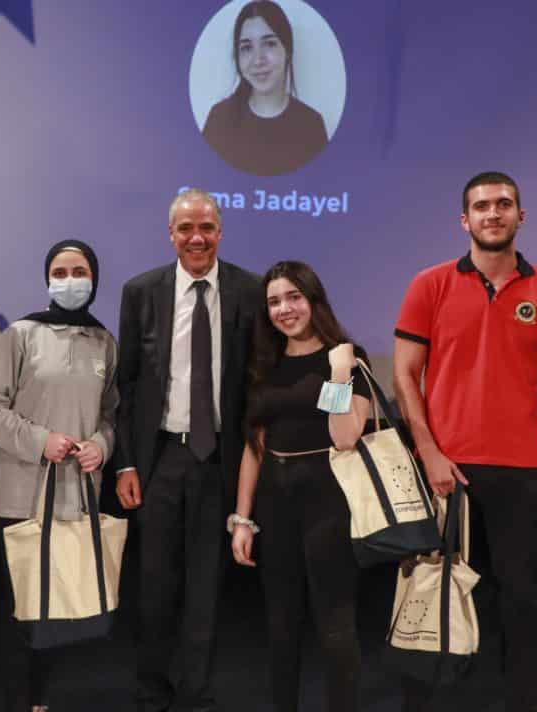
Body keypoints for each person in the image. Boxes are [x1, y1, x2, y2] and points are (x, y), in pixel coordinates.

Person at [392, 171, 537, 712]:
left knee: (521, 600)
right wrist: (429, 452)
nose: (493, 213)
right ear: (465, 220)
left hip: (523, 469)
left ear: (520, 216)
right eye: (481, 206)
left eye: (503, 204)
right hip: (445, 468)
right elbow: (405, 374)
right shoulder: (429, 284)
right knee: (428, 594)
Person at [114, 188, 262, 711]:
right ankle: (152, 690)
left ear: (220, 232)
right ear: (170, 234)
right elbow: (127, 386)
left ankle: (197, 693)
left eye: (206, 228)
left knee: (207, 586)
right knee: (154, 584)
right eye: (185, 229)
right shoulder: (141, 291)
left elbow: (257, 379)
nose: (196, 238)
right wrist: (127, 463)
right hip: (160, 458)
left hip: (220, 458)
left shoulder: (251, 290)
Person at [0, 239, 119, 712]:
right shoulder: (20, 335)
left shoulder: (104, 342)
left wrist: (101, 445)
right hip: (21, 496)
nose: (69, 281)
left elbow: (110, 414)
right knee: (21, 608)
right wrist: (41, 441)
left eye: (79, 272)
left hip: (77, 497)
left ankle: (40, 700)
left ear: (94, 279)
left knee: (57, 609)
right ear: (47, 279)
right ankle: (19, 699)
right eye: (60, 273)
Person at [229, 261, 370, 712]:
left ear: (313, 300)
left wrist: (340, 373)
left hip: (329, 501)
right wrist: (242, 518)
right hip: (275, 502)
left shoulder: (348, 357)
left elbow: (344, 436)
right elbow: (254, 446)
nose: (284, 309)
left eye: (293, 297)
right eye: (274, 301)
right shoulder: (265, 364)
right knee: (281, 627)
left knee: (335, 627)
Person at [202, 0, 328, 177]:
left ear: (287, 50)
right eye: (247, 48)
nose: (258, 60)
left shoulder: (311, 125)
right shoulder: (219, 120)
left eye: (269, 44)